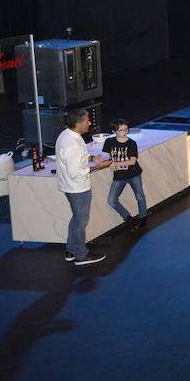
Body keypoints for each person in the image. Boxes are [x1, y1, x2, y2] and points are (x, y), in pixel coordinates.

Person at [56, 107, 112, 265]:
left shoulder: (69, 135)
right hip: (77, 187)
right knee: (81, 221)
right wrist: (98, 167)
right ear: (79, 123)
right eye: (87, 120)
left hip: (70, 186)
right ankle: (81, 255)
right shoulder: (71, 143)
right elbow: (75, 172)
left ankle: (71, 250)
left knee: (76, 219)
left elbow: (78, 157)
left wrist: (93, 157)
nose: (90, 122)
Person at [102, 118, 148, 230]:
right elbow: (105, 156)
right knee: (112, 200)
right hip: (119, 176)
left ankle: (143, 217)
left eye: (126, 130)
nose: (124, 132)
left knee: (140, 196)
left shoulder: (131, 143)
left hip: (134, 174)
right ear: (114, 132)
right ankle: (128, 218)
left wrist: (115, 163)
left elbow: (132, 161)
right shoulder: (109, 142)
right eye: (121, 130)